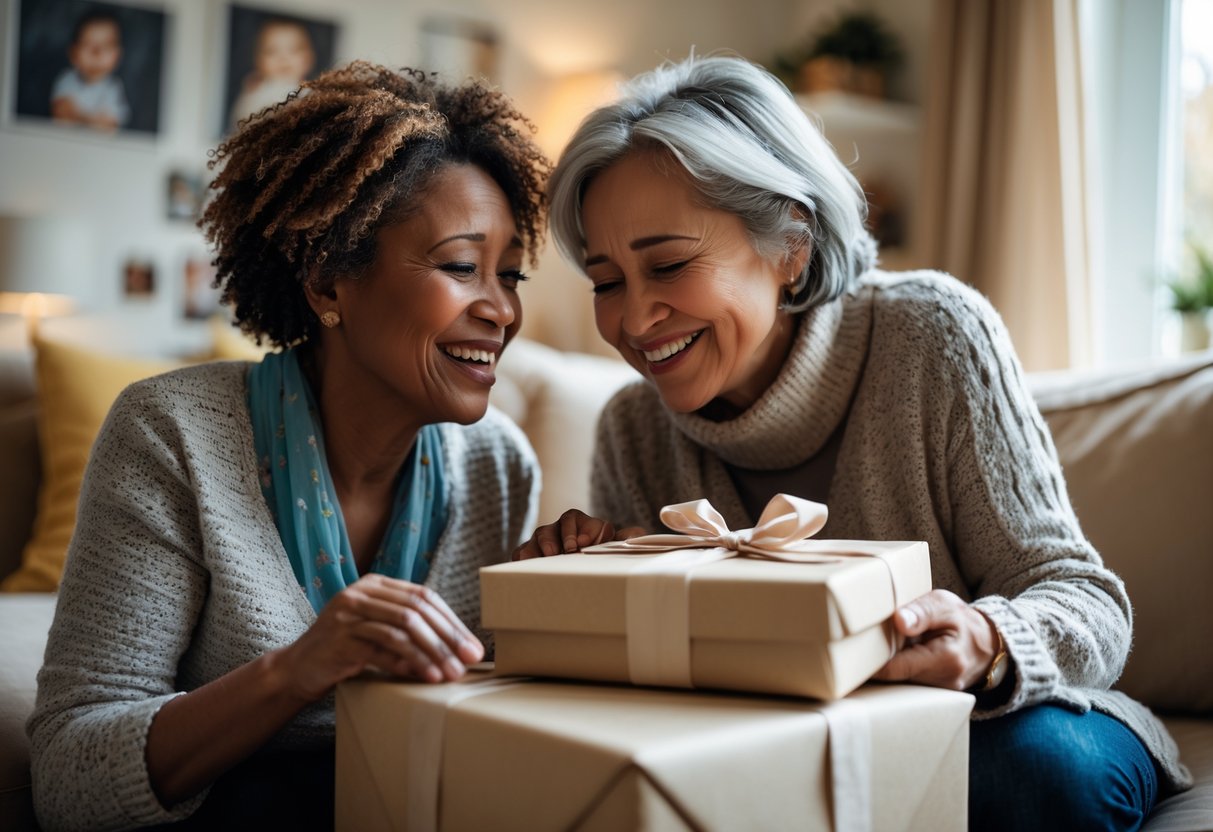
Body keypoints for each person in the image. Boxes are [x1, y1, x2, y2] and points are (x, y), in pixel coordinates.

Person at [521, 55, 1192, 831]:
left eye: (667, 265)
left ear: (790, 246)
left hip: (996, 725)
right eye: (606, 282)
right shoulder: (631, 427)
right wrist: (596, 594)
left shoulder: (932, 335)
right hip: (797, 750)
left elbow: (1088, 603)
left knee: (1029, 773)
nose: (634, 322)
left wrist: (988, 639)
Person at [29, 61, 549, 830]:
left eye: (510, 276)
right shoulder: (173, 435)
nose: (501, 309)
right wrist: (297, 670)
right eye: (461, 267)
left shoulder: (500, 465)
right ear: (328, 284)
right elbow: (69, 779)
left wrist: (568, 610)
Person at [228, 17, 316, 131]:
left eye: (294, 50)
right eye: (271, 51)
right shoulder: (256, 90)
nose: (283, 58)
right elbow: (239, 121)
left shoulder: (310, 93)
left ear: (309, 58)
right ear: (258, 60)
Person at [50, 9, 129, 131]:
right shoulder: (67, 80)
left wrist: (80, 118)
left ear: (118, 55)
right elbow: (62, 115)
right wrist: (91, 122)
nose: (97, 53)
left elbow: (109, 127)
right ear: (73, 53)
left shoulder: (114, 88)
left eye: (106, 45)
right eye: (88, 44)